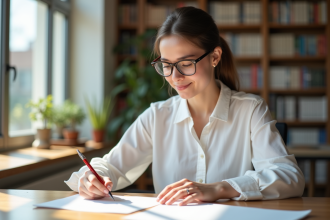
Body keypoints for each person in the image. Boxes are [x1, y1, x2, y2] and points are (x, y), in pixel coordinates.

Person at [65, 7, 304, 206]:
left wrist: (219, 188)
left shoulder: (250, 110)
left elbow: (290, 177)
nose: (175, 76)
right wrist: (91, 178)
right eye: (166, 64)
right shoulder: (157, 116)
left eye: (186, 63)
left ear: (214, 57)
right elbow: (111, 166)